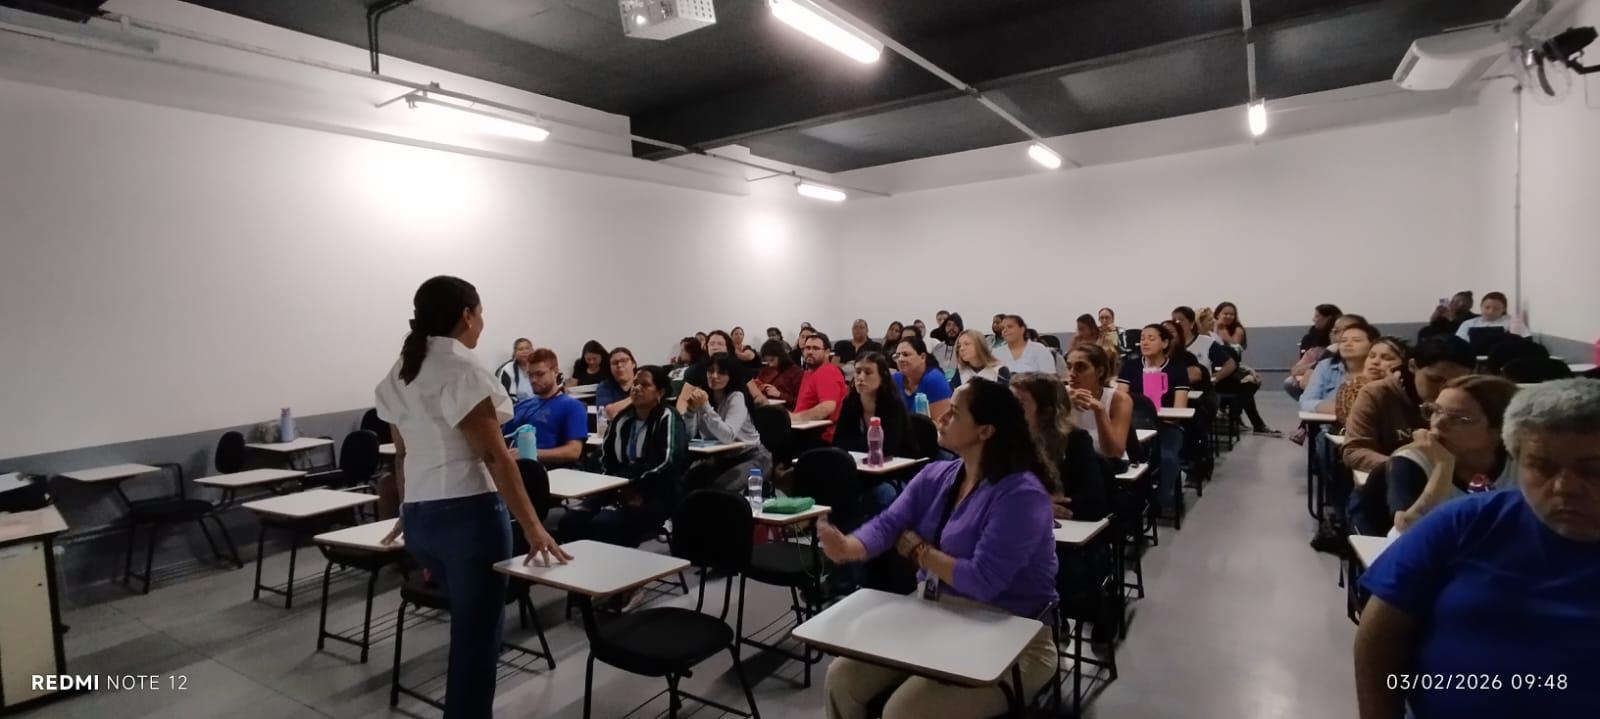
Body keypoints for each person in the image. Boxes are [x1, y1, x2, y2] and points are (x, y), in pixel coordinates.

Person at [373, 276, 569, 719]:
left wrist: (406, 507)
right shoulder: (462, 368)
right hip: (468, 519)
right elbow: (495, 456)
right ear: (466, 315)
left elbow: (402, 455)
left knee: (468, 630)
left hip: (421, 522)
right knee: (476, 644)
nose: (482, 322)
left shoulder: (401, 371)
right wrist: (534, 528)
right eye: (480, 313)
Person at [1354, 378, 1600, 719]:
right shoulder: (1465, 522)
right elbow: (1381, 633)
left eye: (1592, 470)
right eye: (1541, 467)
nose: (1564, 486)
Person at [819, 379, 1059, 719]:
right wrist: (848, 547)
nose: (942, 417)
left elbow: (983, 581)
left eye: (955, 413)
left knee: (903, 712)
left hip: (1014, 635)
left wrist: (920, 551)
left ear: (986, 431)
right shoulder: (938, 474)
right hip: (939, 615)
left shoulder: (1021, 494)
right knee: (841, 679)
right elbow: (890, 523)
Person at [559, 365, 687, 547]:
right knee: (571, 521)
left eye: (645, 385)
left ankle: (613, 563)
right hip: (616, 488)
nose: (637, 388)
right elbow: (605, 457)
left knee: (604, 525)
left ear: (660, 392)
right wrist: (613, 487)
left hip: (655, 493)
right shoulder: (623, 418)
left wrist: (634, 487)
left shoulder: (668, 417)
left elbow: (668, 462)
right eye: (635, 383)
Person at [1387, 375, 1519, 532]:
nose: (1438, 423)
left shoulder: (1521, 462)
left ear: (1500, 430)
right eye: (1436, 411)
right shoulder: (1412, 459)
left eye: (1459, 419)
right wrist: (1443, 465)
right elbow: (1407, 527)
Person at [1343, 336, 1475, 473]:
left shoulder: (1471, 398)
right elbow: (1354, 451)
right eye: (1434, 379)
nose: (1443, 389)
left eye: (1456, 382)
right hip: (1392, 478)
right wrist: (1407, 468)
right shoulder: (1376, 393)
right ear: (1412, 366)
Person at [1011, 372, 1106, 522]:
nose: (1009, 409)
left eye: (1020, 403)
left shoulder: (1076, 440)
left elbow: (1093, 504)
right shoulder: (1006, 440)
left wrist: (1036, 504)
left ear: (1046, 411)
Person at [1116, 324, 1190, 516]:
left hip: (1167, 427)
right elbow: (1120, 400)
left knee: (1167, 458)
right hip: (1134, 427)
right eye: (1142, 338)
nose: (1145, 342)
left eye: (1151, 338)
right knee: (1124, 461)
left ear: (1164, 343)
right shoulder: (1131, 366)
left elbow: (1179, 410)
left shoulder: (1177, 369)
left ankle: (1162, 499)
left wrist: (1155, 416)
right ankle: (1134, 504)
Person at [678, 353, 770, 494]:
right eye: (710, 371)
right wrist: (690, 411)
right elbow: (689, 436)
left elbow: (727, 436)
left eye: (722, 372)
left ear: (731, 375)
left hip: (751, 456)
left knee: (719, 490)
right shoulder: (703, 395)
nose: (714, 376)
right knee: (685, 482)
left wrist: (706, 407)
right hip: (721, 458)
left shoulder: (736, 397)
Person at [502, 349, 588, 468]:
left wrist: (529, 453)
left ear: (555, 371)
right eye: (530, 375)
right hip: (516, 468)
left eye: (540, 374)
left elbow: (574, 451)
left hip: (549, 471)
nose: (533, 380)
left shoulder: (572, 406)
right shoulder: (522, 405)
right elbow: (502, 436)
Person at [833, 351, 912, 457]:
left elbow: (888, 447)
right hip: (862, 460)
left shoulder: (893, 403)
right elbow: (839, 441)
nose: (861, 377)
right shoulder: (850, 400)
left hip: (898, 461)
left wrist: (855, 443)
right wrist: (869, 444)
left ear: (882, 377)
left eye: (868, 372)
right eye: (858, 372)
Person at [1065, 343, 1132, 461]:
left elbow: (1114, 453)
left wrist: (1100, 411)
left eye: (1080, 368)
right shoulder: (1060, 395)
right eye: (1069, 367)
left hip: (1109, 463)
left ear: (1100, 371)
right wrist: (1064, 407)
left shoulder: (1119, 399)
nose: (1072, 374)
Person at [1302, 320, 1380, 414]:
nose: (1348, 344)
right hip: (1328, 421)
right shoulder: (1326, 366)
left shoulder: (1379, 368)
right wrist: (1339, 409)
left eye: (1357, 340)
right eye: (1343, 341)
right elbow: (1306, 401)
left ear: (1373, 344)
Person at [792, 332, 848, 443]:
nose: (810, 352)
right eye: (807, 348)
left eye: (815, 348)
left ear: (827, 352)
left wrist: (796, 418)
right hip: (802, 430)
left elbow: (827, 407)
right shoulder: (809, 373)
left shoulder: (827, 372)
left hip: (819, 436)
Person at [1287, 304, 1343, 399]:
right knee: (1291, 382)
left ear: (1328, 318)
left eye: (1317, 316)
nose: (1313, 319)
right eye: (1333, 332)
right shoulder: (1312, 340)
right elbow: (1296, 369)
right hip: (1315, 373)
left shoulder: (1339, 349)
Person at [891, 337, 953, 422]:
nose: (900, 359)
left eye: (906, 354)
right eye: (897, 356)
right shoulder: (895, 379)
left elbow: (942, 425)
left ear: (923, 357)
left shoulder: (934, 380)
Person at [749, 339, 804, 409]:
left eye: (772, 360)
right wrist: (759, 389)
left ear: (781, 356)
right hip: (766, 408)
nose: (770, 364)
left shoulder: (796, 373)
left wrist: (780, 395)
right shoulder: (766, 370)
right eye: (767, 361)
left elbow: (801, 401)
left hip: (787, 411)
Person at [1455, 291, 1527, 341]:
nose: (1491, 311)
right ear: (1481, 306)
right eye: (1487, 307)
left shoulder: (1513, 323)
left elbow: (1524, 341)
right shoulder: (1468, 324)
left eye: (1496, 308)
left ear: (1504, 309)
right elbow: (1458, 343)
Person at [596, 347, 637, 420]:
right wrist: (634, 398)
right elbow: (605, 413)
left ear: (633, 363)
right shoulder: (604, 386)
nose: (619, 365)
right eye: (614, 363)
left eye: (624, 361)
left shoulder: (643, 384)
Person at [495, 337, 536, 401]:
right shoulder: (507, 370)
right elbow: (501, 397)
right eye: (521, 349)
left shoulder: (540, 366)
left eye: (527, 348)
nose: (525, 352)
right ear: (515, 352)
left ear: (533, 351)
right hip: (517, 405)